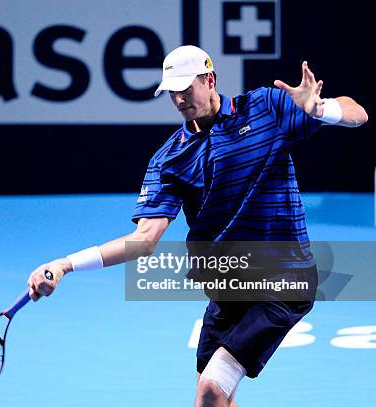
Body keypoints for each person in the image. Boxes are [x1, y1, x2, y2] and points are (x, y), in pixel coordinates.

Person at [27, 45, 368, 407]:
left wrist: (320, 109)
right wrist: (66, 264)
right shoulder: (169, 159)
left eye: (185, 88)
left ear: (210, 80)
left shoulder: (266, 108)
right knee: (211, 401)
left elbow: (357, 113)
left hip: (284, 279)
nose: (179, 99)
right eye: (171, 91)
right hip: (228, 285)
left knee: (211, 389)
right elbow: (144, 240)